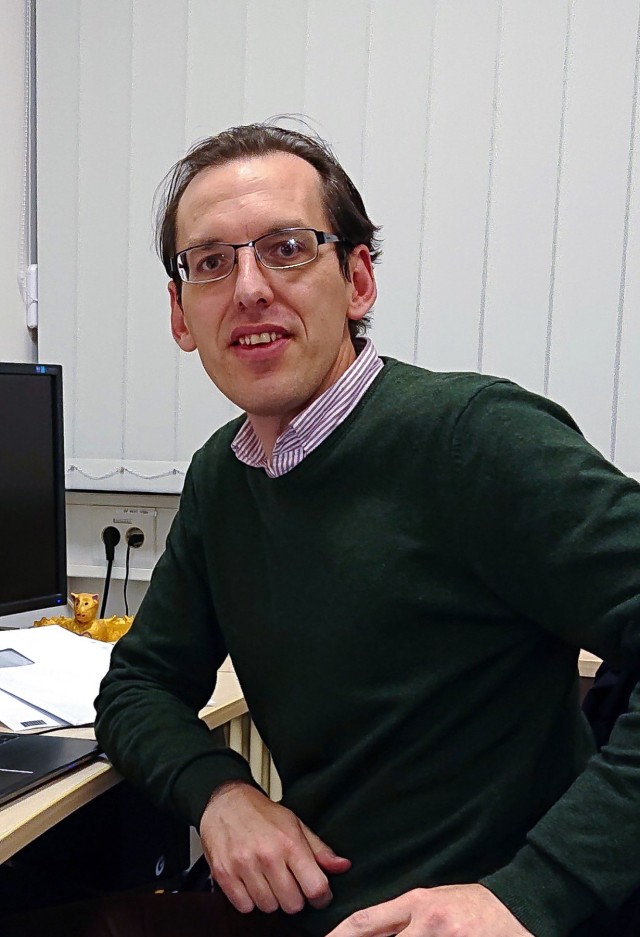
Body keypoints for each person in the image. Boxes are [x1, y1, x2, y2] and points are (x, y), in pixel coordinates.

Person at [90, 123, 640, 937]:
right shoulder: (224, 476)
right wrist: (220, 793)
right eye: (211, 262)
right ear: (180, 313)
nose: (247, 289)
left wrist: (529, 895)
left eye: (286, 248)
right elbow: (138, 684)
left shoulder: (474, 438)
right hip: (322, 905)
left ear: (357, 280)